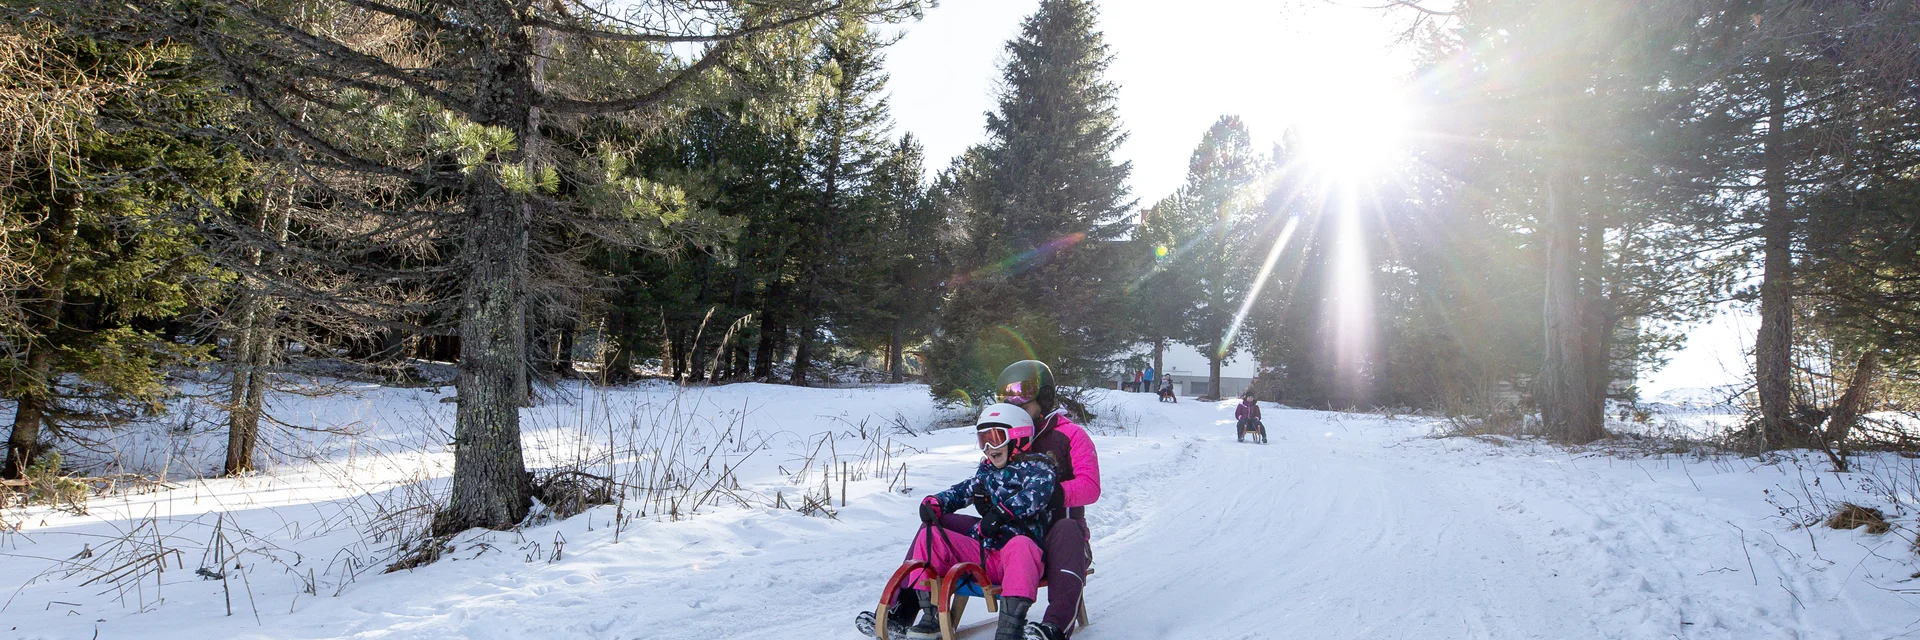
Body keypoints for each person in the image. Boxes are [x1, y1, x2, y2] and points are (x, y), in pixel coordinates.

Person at [858, 403, 1056, 640]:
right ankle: (929, 618)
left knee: (1021, 545)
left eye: (995, 438)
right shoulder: (987, 471)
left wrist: (1001, 513)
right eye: (983, 440)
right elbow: (964, 491)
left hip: (1021, 558)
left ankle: (1009, 631)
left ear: (1018, 436)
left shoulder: (1039, 467)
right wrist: (937, 502)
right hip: (986, 554)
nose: (989, 448)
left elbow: (1036, 496)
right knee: (930, 535)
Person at [941, 360, 1099, 640]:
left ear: (1045, 399)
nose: (1018, 414)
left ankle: (1054, 626)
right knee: (941, 524)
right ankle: (918, 610)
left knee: (1066, 530)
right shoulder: (1005, 434)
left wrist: (1048, 494)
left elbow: (1090, 486)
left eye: (1024, 408)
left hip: (1058, 536)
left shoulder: (1070, 435)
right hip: (1013, 535)